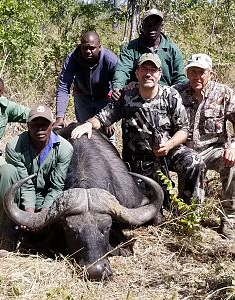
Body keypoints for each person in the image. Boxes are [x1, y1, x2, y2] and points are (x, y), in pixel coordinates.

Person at [72, 53, 204, 205]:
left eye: (153, 70)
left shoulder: (170, 95)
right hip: (140, 160)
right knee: (148, 205)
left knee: (195, 161)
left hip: (168, 152)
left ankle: (189, 212)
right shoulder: (126, 97)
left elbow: (183, 130)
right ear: (137, 73)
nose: (148, 74)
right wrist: (88, 124)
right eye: (144, 69)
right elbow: (102, 118)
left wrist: (168, 145)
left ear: (159, 73)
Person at [173, 53, 235, 239]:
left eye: (201, 72)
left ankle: (230, 219)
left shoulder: (224, 93)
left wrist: (233, 147)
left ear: (211, 73)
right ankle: (191, 218)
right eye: (192, 71)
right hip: (185, 151)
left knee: (233, 164)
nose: (196, 77)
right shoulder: (176, 92)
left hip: (214, 149)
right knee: (190, 210)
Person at [0, 103, 73, 240]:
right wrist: (29, 215)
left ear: (52, 125)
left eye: (45, 124)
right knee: (5, 171)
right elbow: (25, 184)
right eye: (35, 124)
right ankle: (8, 235)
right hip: (22, 198)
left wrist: (43, 216)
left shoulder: (65, 148)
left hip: (49, 200)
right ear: (27, 126)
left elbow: (56, 187)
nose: (40, 129)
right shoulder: (14, 146)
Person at [112, 8, 186, 102]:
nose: (152, 27)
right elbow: (122, 70)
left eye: (156, 24)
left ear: (161, 26)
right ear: (142, 26)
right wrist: (118, 86)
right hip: (137, 96)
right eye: (148, 24)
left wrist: (176, 95)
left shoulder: (172, 49)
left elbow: (179, 77)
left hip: (165, 97)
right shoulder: (131, 48)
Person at [54, 31, 117, 135]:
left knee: (107, 135)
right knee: (83, 132)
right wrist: (60, 117)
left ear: (99, 47)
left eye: (92, 48)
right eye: (85, 48)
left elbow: (118, 88)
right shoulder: (72, 58)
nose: (88, 51)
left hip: (104, 97)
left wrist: (110, 117)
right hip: (83, 98)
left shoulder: (110, 60)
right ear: (80, 46)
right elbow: (63, 86)